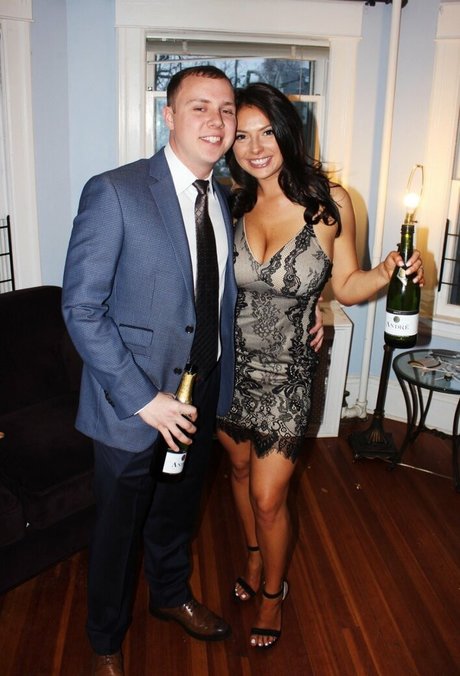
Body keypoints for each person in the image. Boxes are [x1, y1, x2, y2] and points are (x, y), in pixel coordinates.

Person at [216, 82, 425, 650]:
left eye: (267, 132)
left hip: (288, 373)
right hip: (230, 369)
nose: (255, 148)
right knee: (238, 473)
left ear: (288, 132)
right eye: (241, 136)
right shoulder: (229, 202)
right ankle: (253, 557)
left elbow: (348, 284)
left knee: (268, 498)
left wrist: (387, 271)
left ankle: (273, 593)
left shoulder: (331, 203)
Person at [62, 65, 240, 676]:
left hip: (199, 392)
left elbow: (216, 295)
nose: (216, 121)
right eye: (199, 107)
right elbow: (81, 308)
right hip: (132, 406)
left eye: (226, 109)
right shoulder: (115, 191)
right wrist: (144, 399)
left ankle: (170, 594)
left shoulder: (223, 196)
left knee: (177, 510)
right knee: (118, 531)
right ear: (168, 116)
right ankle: (104, 640)